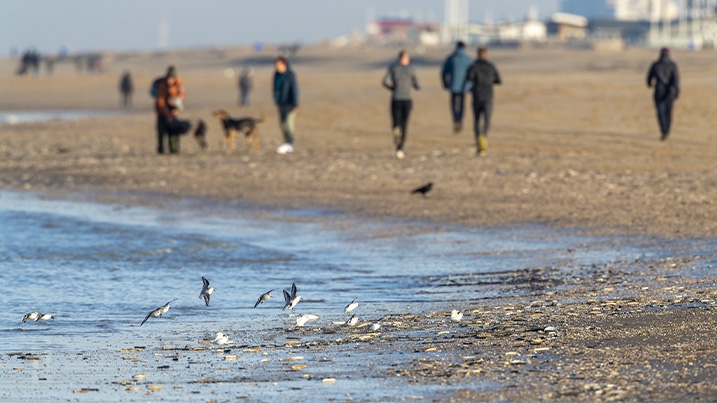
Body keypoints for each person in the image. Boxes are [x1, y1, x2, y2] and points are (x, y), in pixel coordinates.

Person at [382, 50, 420, 159]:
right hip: (407, 98)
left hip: (396, 98)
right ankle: (400, 148)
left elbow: (384, 81)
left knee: (396, 120)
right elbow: (417, 84)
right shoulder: (411, 69)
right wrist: (413, 86)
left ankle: (396, 129)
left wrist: (393, 88)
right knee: (405, 123)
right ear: (406, 59)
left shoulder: (393, 68)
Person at [465, 47, 501, 155]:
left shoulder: (473, 66)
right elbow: (498, 80)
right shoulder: (491, 66)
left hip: (477, 96)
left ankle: (478, 142)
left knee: (476, 120)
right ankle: (483, 136)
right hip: (488, 96)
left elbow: (469, 77)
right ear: (486, 54)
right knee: (487, 119)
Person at [647, 48, 680, 141]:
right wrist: (676, 92)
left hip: (659, 91)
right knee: (668, 112)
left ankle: (664, 131)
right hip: (670, 92)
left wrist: (650, 84)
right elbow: (676, 80)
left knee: (660, 112)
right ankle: (667, 130)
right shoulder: (673, 65)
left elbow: (649, 78)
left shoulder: (656, 65)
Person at [441, 41, 473, 133]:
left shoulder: (451, 58)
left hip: (453, 85)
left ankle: (455, 120)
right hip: (464, 86)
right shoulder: (468, 59)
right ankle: (460, 121)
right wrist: (471, 85)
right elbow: (472, 73)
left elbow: (444, 72)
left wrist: (445, 83)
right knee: (462, 104)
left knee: (454, 104)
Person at [155, 66, 185, 154]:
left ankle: (174, 150)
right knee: (161, 131)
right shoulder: (162, 86)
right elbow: (161, 102)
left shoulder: (178, 84)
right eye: (168, 78)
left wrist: (176, 107)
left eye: (172, 78)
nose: (170, 80)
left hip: (173, 112)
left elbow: (182, 94)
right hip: (162, 112)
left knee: (174, 132)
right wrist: (167, 114)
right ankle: (161, 150)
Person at [273, 56, 299, 154]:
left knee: (289, 123)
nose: (277, 66)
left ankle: (290, 143)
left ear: (284, 64)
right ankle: (286, 142)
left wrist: (295, 104)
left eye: (278, 64)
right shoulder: (276, 74)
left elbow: (294, 90)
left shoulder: (290, 74)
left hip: (290, 103)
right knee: (283, 123)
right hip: (280, 102)